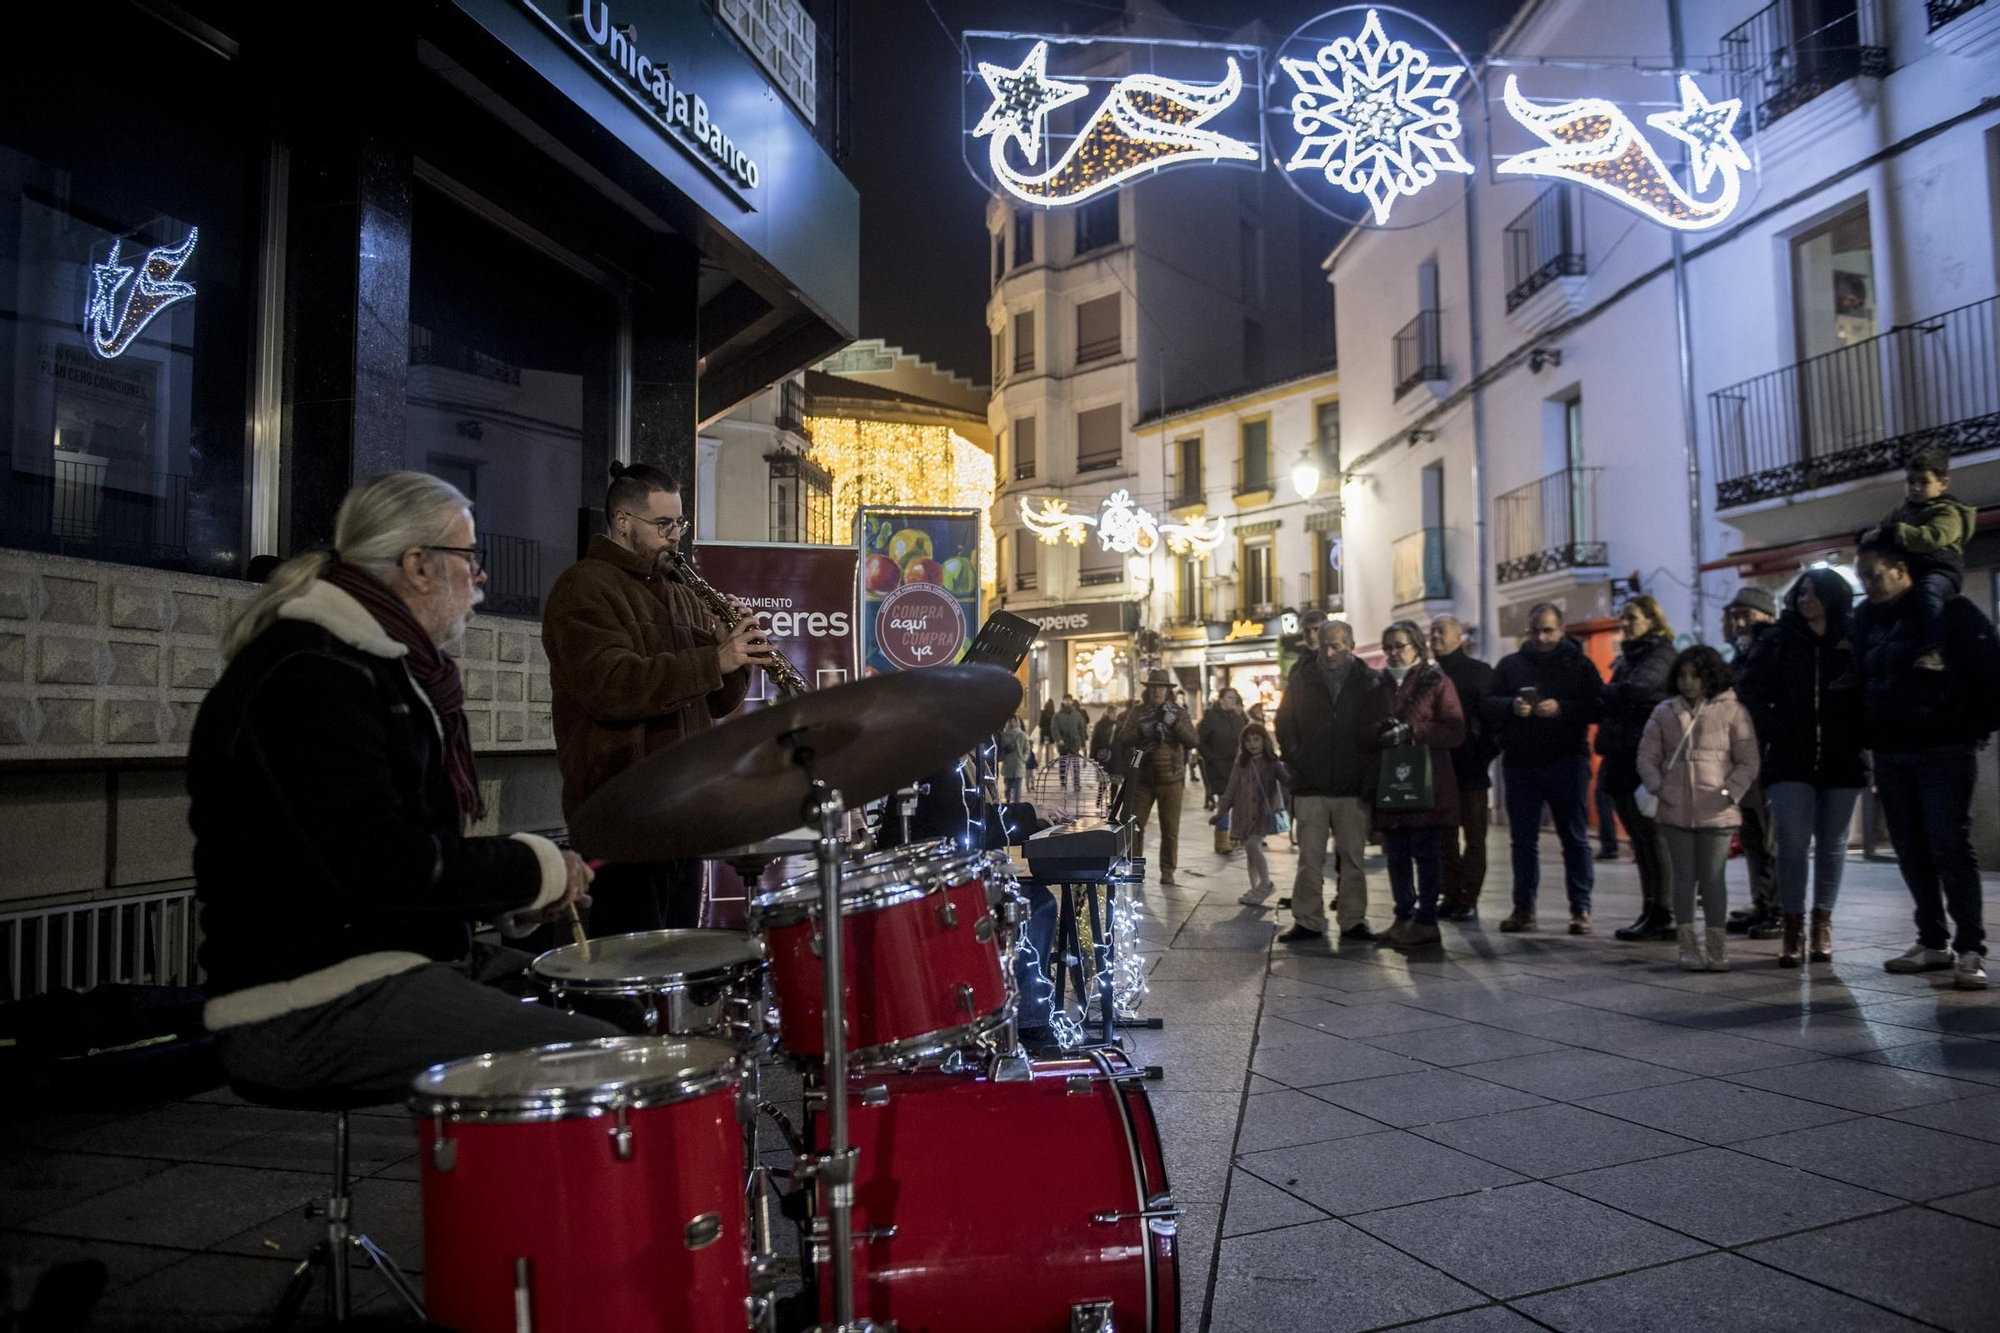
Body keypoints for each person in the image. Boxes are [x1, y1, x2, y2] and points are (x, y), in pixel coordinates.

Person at [188, 472, 617, 1101]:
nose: (481, 578)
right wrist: (535, 868)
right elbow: (382, 865)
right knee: (599, 1060)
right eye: (470, 558)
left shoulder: (378, 668)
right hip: (307, 995)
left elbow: (401, 859)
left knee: (622, 1012)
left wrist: (517, 894)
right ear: (417, 565)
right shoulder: (311, 674)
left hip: (395, 959)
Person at [543, 462, 764, 935]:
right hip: (622, 814)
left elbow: (714, 703)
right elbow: (613, 686)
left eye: (679, 524)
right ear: (622, 521)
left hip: (682, 810)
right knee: (630, 960)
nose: (674, 536)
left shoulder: (682, 593)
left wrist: (735, 655)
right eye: (663, 525)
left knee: (678, 960)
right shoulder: (583, 588)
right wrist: (712, 660)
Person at [1854, 539, 2000, 989]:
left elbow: (1990, 668)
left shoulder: (1948, 612)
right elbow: (1863, 679)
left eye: (1874, 575)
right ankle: (1932, 940)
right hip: (1892, 751)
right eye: (1862, 578)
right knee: (1912, 849)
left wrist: (1972, 725)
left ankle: (1970, 948)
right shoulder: (1868, 620)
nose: (1868, 586)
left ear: (1901, 569)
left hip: (1942, 749)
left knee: (1948, 846)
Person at [1763, 568, 1867, 968]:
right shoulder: (1779, 640)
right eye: (1800, 593)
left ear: (1832, 597)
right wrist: (1773, 730)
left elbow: (1867, 691)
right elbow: (1753, 690)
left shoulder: (1852, 638)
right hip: (1791, 757)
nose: (1805, 600)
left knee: (1833, 843)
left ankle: (1822, 922)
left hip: (1842, 756)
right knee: (1791, 840)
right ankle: (1792, 925)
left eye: (1813, 594)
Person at [1637, 645, 1760, 972]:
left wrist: (1727, 793)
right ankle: (1688, 946)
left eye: (1695, 675)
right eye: (1682, 675)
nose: (1687, 682)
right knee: (1684, 878)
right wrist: (1661, 788)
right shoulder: (1664, 712)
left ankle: (1717, 947)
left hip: (1717, 812)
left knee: (1713, 878)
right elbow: (1646, 757)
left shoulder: (1733, 711)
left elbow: (1747, 761)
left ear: (1711, 676)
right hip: (1675, 809)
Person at [1485, 604, 1606, 935]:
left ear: (1562, 630)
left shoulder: (1578, 665)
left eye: (1548, 630)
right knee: (1522, 841)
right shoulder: (1511, 665)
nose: (1541, 637)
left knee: (1575, 838)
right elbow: (1488, 703)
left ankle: (1581, 908)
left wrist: (1562, 709)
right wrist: (1511, 706)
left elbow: (1598, 705)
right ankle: (1524, 909)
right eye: (1536, 630)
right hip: (1522, 764)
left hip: (1567, 762)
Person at [1275, 620, 1389, 944]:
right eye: (1324, 645)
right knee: (1309, 857)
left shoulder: (1369, 681)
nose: (1328, 651)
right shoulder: (1302, 678)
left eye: (1336, 645)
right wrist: (1296, 755)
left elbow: (1378, 726)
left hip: (1352, 786)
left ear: (1351, 645)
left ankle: (1353, 919)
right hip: (1311, 783)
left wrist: (1367, 770)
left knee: (1353, 856)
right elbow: (1284, 721)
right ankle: (1307, 919)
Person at [1374, 621, 1466, 950]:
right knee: (1396, 853)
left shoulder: (1436, 680)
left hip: (1427, 780)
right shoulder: (1379, 683)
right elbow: (1366, 724)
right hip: (1391, 780)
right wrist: (1377, 732)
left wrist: (1413, 731)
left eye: (1399, 646)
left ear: (1416, 646)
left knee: (1426, 853)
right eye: (1388, 648)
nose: (1393, 653)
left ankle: (1427, 920)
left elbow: (1455, 730)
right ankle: (1402, 917)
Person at [1599, 596, 1679, 943]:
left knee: (1652, 837)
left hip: (1645, 755)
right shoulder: (1630, 657)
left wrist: (1603, 692)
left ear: (1652, 620)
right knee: (1640, 839)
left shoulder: (1660, 654)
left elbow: (1637, 690)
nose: (1626, 624)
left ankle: (1664, 912)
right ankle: (1650, 909)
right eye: (1623, 619)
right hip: (1622, 754)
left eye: (1632, 617)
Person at [1858, 447, 1977, 669]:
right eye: (1911, 482)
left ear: (1943, 483)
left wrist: (1894, 533)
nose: (1915, 488)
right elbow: (1882, 529)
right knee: (1867, 606)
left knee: (1929, 590)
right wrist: (1867, 537)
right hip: (1914, 572)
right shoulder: (1901, 510)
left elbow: (1932, 537)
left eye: (1923, 482)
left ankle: (1935, 648)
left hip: (1940, 571)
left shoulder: (1948, 512)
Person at [1722, 587, 1783, 940]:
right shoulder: (1743, 653)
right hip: (1744, 760)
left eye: (1746, 614)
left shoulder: (1773, 646)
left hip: (1767, 756)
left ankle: (1778, 909)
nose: (1739, 621)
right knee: (1753, 837)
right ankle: (1762, 904)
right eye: (1735, 615)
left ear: (1766, 614)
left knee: (1771, 837)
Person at [1430, 616, 1496, 921]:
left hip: (1470, 769)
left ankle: (1469, 897)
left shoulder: (1479, 674)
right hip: (1439, 770)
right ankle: (1450, 893)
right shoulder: (1429, 675)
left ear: (1459, 636)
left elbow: (1494, 723)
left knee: (1474, 837)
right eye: (1432, 632)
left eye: (1441, 632)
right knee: (1444, 837)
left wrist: (1483, 755)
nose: (1435, 637)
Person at [1115, 670, 1200, 885]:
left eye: (1161, 687)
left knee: (1170, 830)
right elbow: (1123, 738)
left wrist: (1172, 724)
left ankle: (1167, 871)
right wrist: (1143, 731)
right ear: (1148, 690)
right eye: (1153, 687)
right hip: (1143, 777)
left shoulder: (1178, 713)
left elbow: (1192, 741)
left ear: (1168, 691)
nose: (1157, 691)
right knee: (1134, 827)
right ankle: (1135, 868)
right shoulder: (1137, 712)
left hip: (1171, 779)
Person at [1213, 724, 1288, 908]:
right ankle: (1254, 888)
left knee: (1253, 845)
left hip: (1263, 814)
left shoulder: (1272, 763)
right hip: (1243, 814)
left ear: (1264, 741)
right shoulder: (1241, 763)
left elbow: (1287, 780)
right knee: (1250, 852)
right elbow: (1230, 790)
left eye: (1256, 739)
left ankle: (1266, 884)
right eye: (1248, 740)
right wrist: (1220, 813)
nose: (1252, 744)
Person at [1198, 688, 1248, 811]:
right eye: (1229, 697)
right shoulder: (1211, 718)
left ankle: (1237, 828)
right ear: (1221, 700)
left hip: (1237, 765)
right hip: (1218, 766)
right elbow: (1199, 740)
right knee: (1224, 801)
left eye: (1234, 698)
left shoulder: (1238, 718)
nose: (1233, 700)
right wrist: (1210, 757)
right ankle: (1222, 828)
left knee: (1240, 801)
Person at [998, 714, 1032, 805]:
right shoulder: (1003, 735)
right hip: (1008, 765)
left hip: (1018, 765)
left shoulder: (1022, 735)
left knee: (1017, 790)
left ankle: (1016, 806)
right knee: (1007, 788)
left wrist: (1024, 758)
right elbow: (1000, 749)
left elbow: (1027, 748)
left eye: (1014, 721)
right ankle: (1008, 802)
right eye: (1011, 721)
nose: (1013, 723)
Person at [1038, 697, 1057, 764]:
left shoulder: (1043, 713)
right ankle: (1051, 762)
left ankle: (1038, 761)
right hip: (1051, 732)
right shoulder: (1054, 714)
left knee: (1041, 746)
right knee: (1051, 747)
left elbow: (1041, 724)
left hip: (1044, 732)